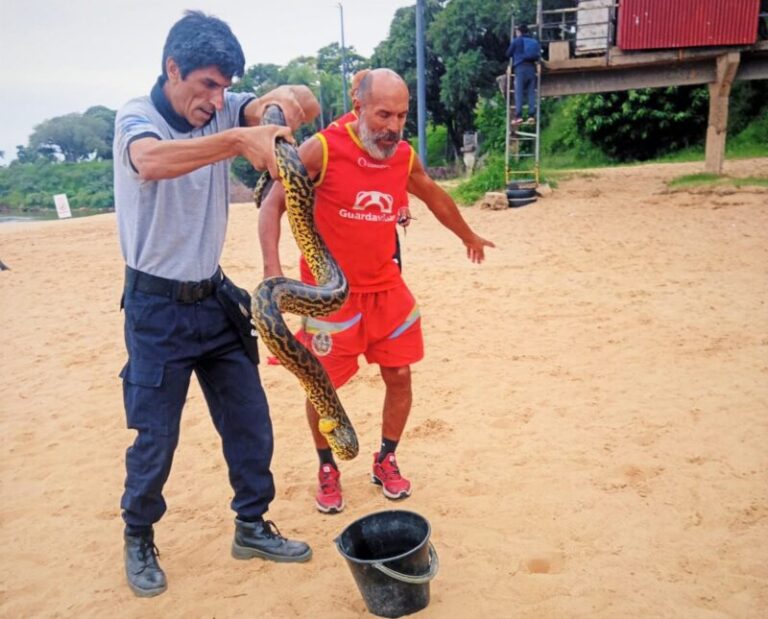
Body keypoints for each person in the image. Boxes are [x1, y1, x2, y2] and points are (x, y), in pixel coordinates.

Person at [113, 10, 321, 597]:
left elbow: (301, 97)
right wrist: (235, 138)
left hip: (214, 297)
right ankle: (138, 535)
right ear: (172, 68)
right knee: (156, 437)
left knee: (249, 421)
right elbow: (150, 162)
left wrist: (271, 113)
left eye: (226, 88)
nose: (216, 99)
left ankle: (251, 525)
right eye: (206, 85)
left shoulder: (227, 106)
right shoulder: (138, 117)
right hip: (155, 307)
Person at [259, 68, 495, 514]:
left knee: (401, 376)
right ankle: (328, 466)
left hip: (385, 290)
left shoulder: (402, 156)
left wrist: (468, 235)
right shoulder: (324, 149)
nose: (392, 126)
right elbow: (273, 204)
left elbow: (433, 195)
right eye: (383, 114)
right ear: (359, 108)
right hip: (330, 294)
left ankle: (386, 458)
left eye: (401, 116)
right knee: (321, 387)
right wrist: (274, 273)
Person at [506, 24, 541, 125]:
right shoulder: (534, 41)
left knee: (519, 92)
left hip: (520, 68)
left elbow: (508, 53)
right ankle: (531, 116)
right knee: (531, 92)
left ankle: (518, 116)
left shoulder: (517, 41)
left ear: (519, 32)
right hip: (531, 68)